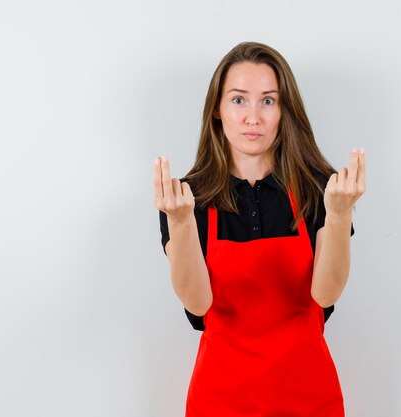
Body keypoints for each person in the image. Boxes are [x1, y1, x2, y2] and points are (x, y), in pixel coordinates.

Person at [153, 41, 366, 417]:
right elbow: (198, 305)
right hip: (220, 401)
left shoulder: (322, 189)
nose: (253, 117)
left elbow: (325, 294)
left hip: (308, 397)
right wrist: (182, 222)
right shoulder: (188, 198)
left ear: (285, 111)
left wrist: (338, 216)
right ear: (217, 111)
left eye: (268, 101)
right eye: (239, 100)